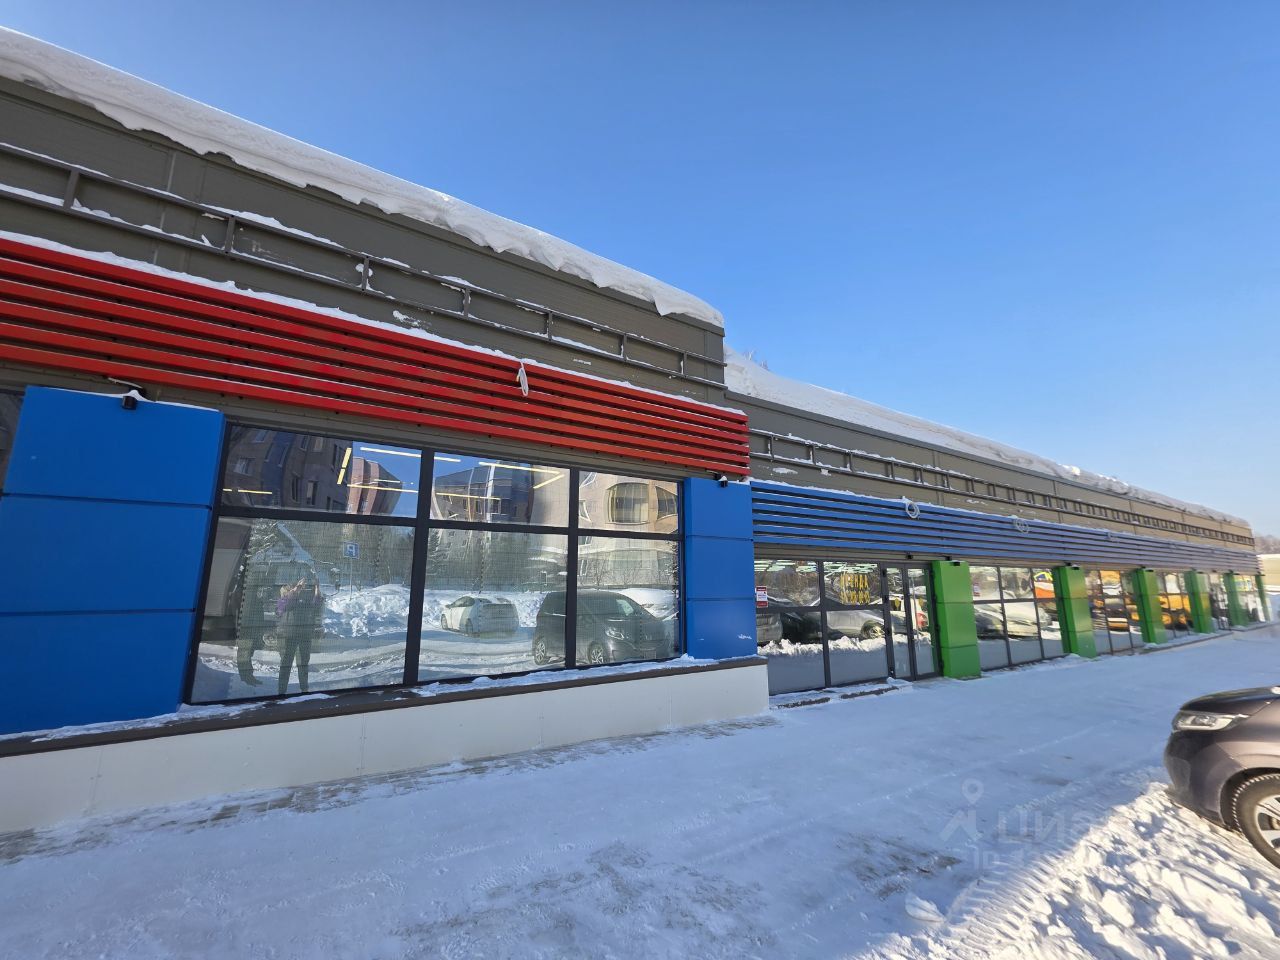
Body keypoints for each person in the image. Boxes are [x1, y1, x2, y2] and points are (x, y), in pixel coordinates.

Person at [276, 572, 322, 695]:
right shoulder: (284, 599)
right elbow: (286, 606)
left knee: (303, 664)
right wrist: (296, 589)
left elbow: (316, 605)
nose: (301, 589)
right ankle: (281, 692)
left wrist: (317, 588)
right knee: (286, 664)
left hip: (304, 635)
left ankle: (304, 689)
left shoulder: (304, 599)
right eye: (295, 588)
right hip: (288, 636)